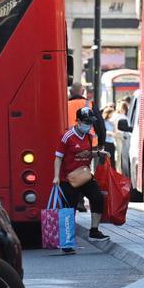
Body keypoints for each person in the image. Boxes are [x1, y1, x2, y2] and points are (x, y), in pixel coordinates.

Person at [53, 106, 111, 252]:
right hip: (68, 179)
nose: (89, 125)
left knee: (97, 197)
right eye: (86, 122)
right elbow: (58, 158)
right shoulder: (67, 136)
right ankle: (67, 242)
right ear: (78, 121)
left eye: (90, 122)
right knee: (69, 208)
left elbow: (87, 153)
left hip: (85, 176)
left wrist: (98, 154)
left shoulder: (89, 136)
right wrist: (56, 177)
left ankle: (94, 230)